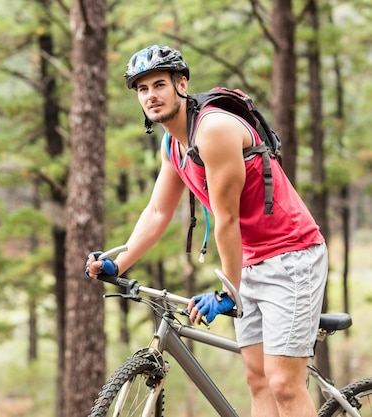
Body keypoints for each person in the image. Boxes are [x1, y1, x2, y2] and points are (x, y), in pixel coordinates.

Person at [85, 45, 327, 417]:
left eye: (160, 84)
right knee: (258, 380)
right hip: (251, 261)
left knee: (283, 384)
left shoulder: (213, 130)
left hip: (291, 253)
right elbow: (157, 211)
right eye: (142, 89)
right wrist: (121, 262)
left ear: (182, 84)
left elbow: (227, 219)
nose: (151, 95)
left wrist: (228, 292)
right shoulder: (174, 143)